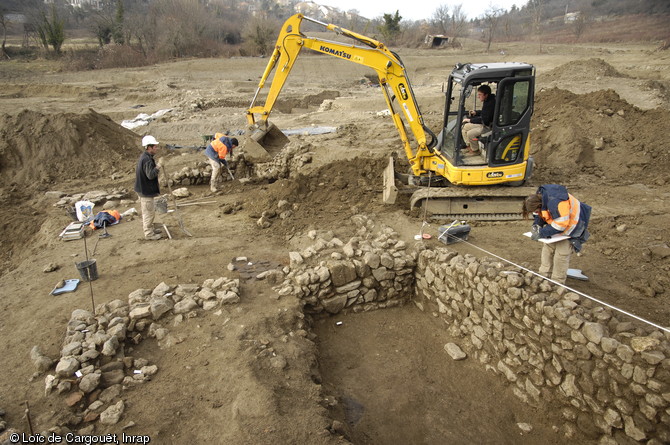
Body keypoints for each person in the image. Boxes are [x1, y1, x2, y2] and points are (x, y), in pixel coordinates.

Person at [522, 184, 592, 284]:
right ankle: (543, 277)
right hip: (558, 224)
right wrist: (537, 224)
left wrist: (541, 233)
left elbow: (561, 226)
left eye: (536, 210)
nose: (536, 212)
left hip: (572, 225)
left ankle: (557, 283)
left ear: (539, 205)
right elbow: (538, 214)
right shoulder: (539, 198)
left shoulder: (557, 202)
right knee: (547, 249)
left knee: (561, 254)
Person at [134, 135, 163, 241]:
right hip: (145, 191)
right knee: (148, 213)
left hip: (144, 189)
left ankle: (150, 229)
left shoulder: (146, 157)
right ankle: (149, 234)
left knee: (150, 212)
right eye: (155, 146)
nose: (157, 148)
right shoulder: (146, 160)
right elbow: (150, 175)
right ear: (148, 147)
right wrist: (158, 166)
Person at [461, 84, 495, 156]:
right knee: (465, 127)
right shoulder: (487, 101)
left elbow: (484, 119)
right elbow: (484, 113)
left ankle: (475, 151)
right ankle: (470, 146)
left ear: (486, 95)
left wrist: (470, 120)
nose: (478, 96)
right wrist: (476, 112)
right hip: (484, 123)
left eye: (480, 94)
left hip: (488, 126)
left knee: (470, 133)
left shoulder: (491, 104)